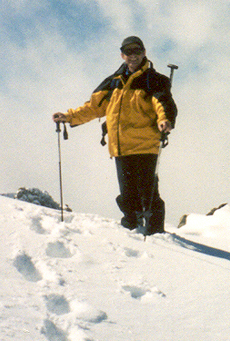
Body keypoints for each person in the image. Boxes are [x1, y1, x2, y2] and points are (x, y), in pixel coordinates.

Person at [53, 36, 177, 234]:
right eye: (128, 52)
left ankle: (155, 235)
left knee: (148, 195)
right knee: (127, 195)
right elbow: (93, 107)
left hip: (146, 145)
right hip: (121, 148)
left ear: (144, 52)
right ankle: (131, 230)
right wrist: (68, 117)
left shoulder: (154, 80)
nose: (133, 56)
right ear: (122, 55)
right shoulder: (113, 82)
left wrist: (165, 119)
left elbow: (162, 102)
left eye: (137, 51)